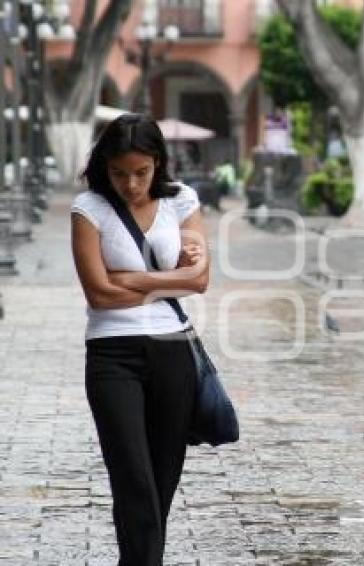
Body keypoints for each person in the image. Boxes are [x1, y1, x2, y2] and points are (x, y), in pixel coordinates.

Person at [71, 114, 209, 564]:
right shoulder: (88, 209)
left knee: (162, 479)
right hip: (112, 355)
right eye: (119, 173)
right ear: (104, 166)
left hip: (174, 352)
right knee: (132, 475)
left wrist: (127, 278)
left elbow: (200, 280)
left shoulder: (182, 201)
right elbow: (98, 293)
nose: (130, 184)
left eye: (141, 173)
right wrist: (169, 278)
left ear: (157, 163)